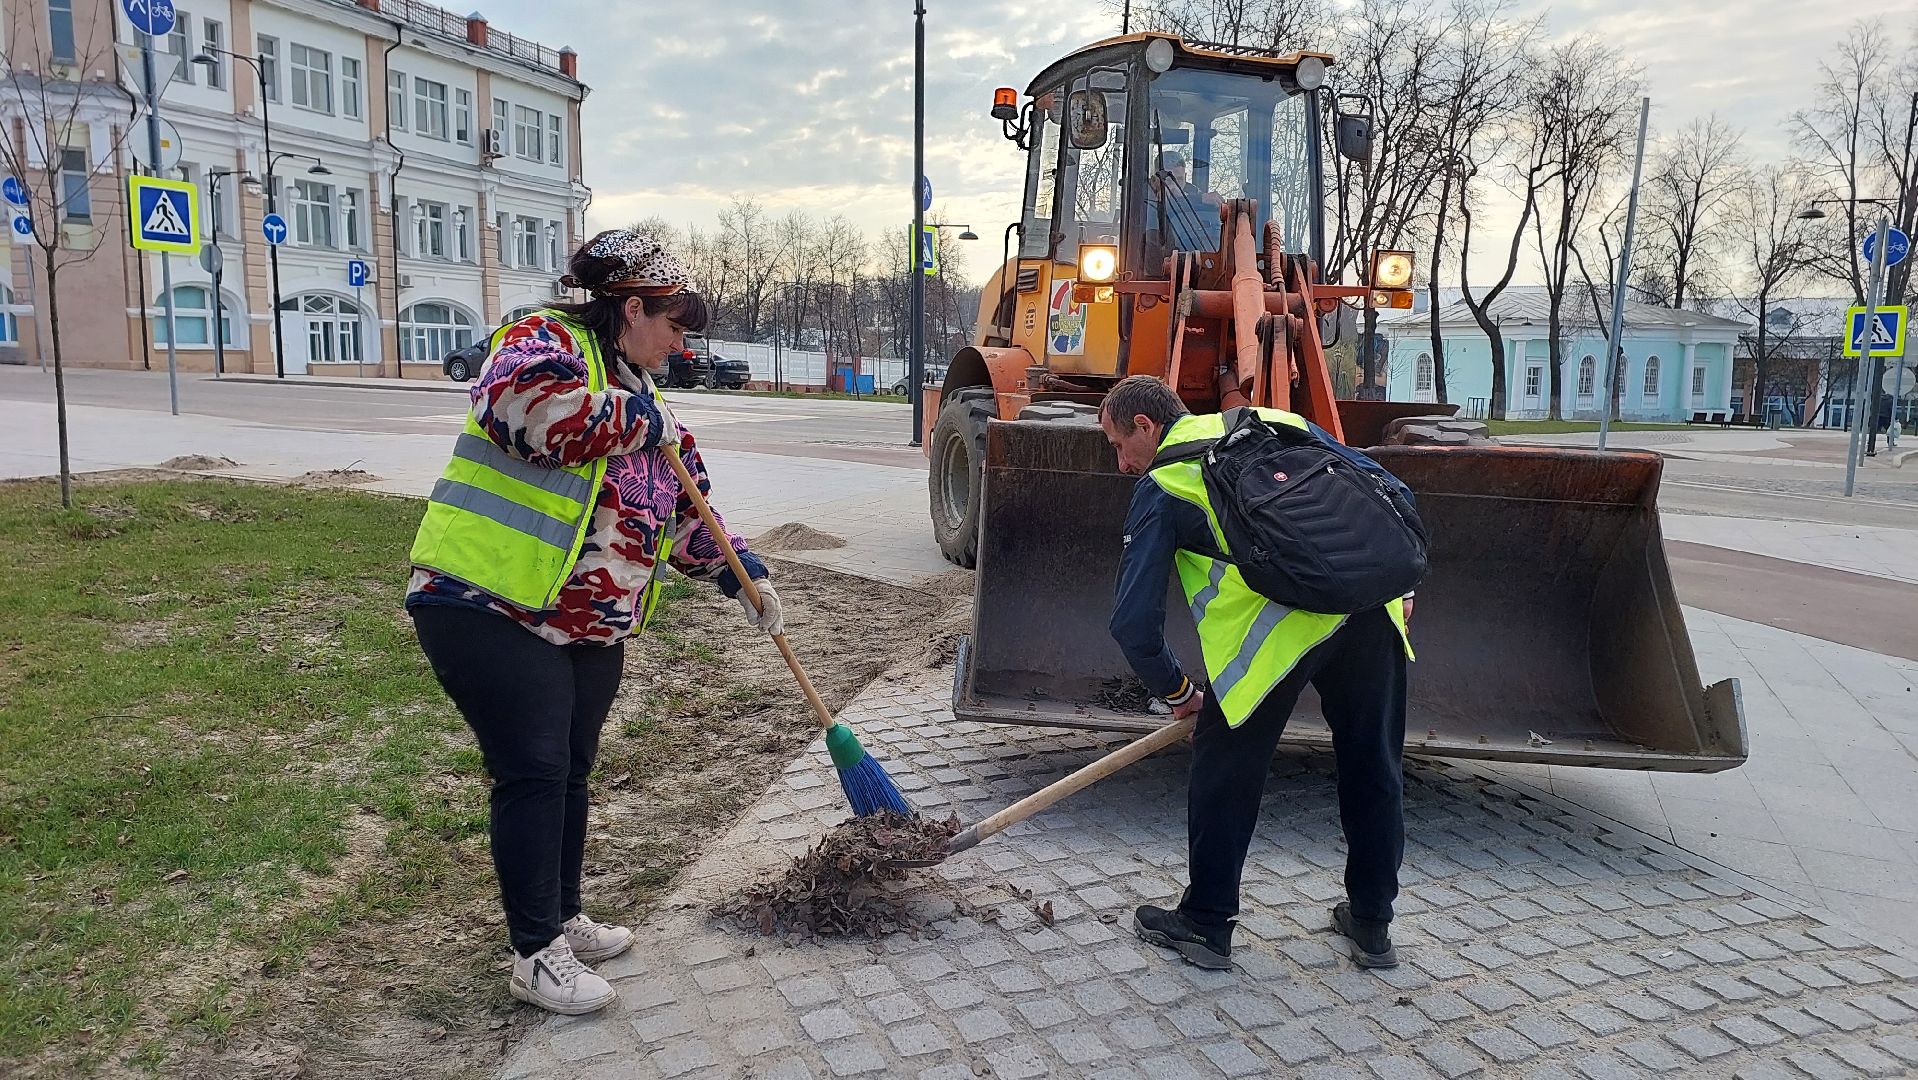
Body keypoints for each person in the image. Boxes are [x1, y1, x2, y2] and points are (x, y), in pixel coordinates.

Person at [405, 230, 782, 1015]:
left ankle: (564, 918)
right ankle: (534, 955)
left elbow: (686, 513)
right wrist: (641, 418)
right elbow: (531, 417)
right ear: (632, 306)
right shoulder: (543, 343)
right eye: (676, 327)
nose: (682, 346)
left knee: (570, 771)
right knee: (535, 770)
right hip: (488, 601)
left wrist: (741, 574)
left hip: (582, 622)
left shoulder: (650, 402)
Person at [1097, 375, 1414, 971]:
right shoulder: (1275, 420)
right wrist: (1405, 582)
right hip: (1372, 611)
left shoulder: (1165, 484)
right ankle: (1373, 925)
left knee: (1225, 774)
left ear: (1146, 426)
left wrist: (1179, 692)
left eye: (1118, 445)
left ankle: (1206, 924)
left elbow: (1132, 624)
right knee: (1374, 765)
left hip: (1274, 639)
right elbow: (1386, 487)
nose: (1121, 464)